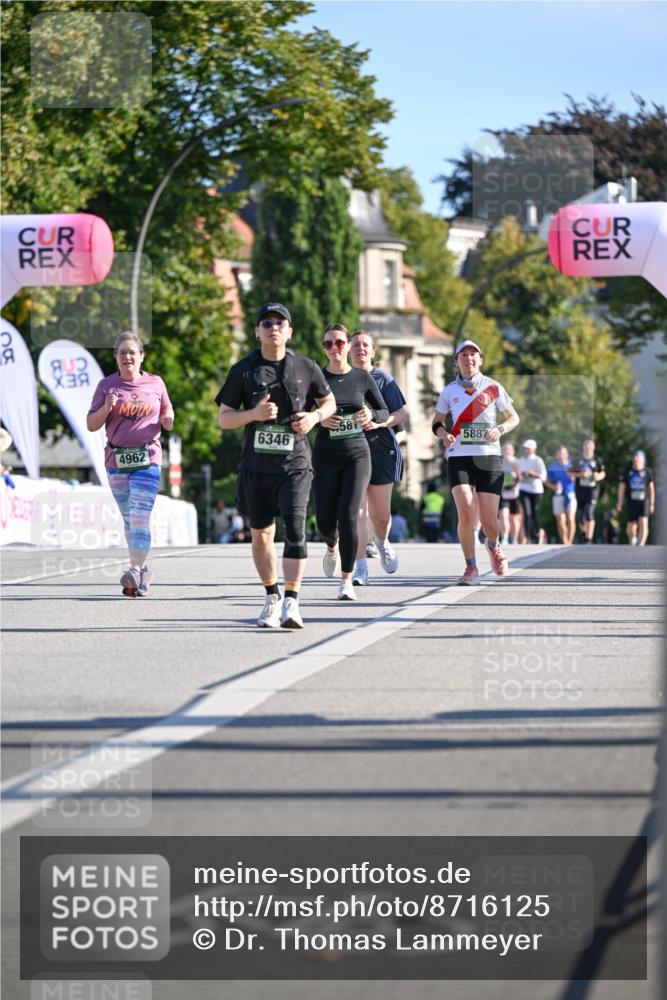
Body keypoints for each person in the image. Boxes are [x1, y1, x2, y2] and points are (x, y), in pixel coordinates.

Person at [215, 302, 336, 629]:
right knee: (261, 535)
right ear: (257, 331)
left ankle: (293, 602)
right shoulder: (243, 370)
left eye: (280, 322)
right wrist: (252, 415)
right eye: (266, 322)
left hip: (295, 463)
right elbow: (224, 418)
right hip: (255, 467)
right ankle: (272, 597)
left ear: (290, 331)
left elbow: (329, 402)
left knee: (295, 529)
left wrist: (314, 417)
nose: (273, 327)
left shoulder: (306, 367)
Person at [87, 332, 174, 597]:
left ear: (141, 356)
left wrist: (168, 420)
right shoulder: (106, 386)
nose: (127, 357)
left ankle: (134, 570)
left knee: (139, 516)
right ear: (116, 357)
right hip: (116, 459)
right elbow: (92, 425)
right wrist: (107, 407)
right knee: (129, 520)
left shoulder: (155, 383)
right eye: (122, 353)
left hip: (148, 457)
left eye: (132, 352)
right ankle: (144, 570)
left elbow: (167, 410)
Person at [431, 339, 520, 584]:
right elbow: (436, 423)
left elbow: (514, 418)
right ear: (456, 361)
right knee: (467, 514)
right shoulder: (449, 391)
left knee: (490, 521)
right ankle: (470, 566)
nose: (469, 359)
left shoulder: (493, 387)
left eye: (473, 355)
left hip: (489, 457)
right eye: (464, 355)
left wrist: (500, 429)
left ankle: (493, 545)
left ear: (480, 360)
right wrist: (444, 435)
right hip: (459, 457)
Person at [310, 324, 388, 601]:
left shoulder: (361, 377)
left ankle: (347, 580)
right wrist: (320, 416)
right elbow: (301, 413)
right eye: (328, 344)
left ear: (347, 345)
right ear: (324, 348)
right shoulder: (316, 377)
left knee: (349, 514)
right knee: (325, 521)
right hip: (325, 455)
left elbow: (382, 411)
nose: (334, 348)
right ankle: (331, 546)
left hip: (357, 454)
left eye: (340, 343)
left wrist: (368, 413)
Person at [349, 330, 408, 586]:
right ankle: (360, 568)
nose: (360, 348)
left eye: (365, 345)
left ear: (373, 351)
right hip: (351, 449)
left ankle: (382, 542)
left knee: (380, 516)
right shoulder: (342, 378)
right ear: (349, 350)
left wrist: (380, 422)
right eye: (356, 345)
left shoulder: (383, 378)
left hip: (381, 449)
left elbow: (400, 413)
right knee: (358, 512)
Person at [615, 449, 655, 545]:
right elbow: (621, 487)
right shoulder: (628, 471)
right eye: (635, 457)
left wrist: (652, 503)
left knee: (643, 521)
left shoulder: (647, 472)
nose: (636, 459)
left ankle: (641, 544)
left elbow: (651, 488)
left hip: (644, 501)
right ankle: (633, 539)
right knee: (631, 526)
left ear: (643, 459)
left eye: (639, 457)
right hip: (631, 501)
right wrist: (619, 501)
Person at [571, 437, 606, 543]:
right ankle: (584, 532)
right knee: (581, 517)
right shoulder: (577, 460)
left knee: (589, 512)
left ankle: (588, 539)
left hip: (593, 490)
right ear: (583, 446)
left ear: (594, 447)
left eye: (590, 445)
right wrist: (580, 474)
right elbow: (569, 472)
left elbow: (603, 473)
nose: (588, 447)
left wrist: (597, 476)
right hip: (580, 490)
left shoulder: (597, 460)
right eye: (586, 444)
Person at [516, 439, 547, 544]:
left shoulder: (538, 461)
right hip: (524, 489)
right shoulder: (520, 461)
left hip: (536, 491)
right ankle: (528, 537)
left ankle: (537, 533)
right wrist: (521, 475)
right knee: (527, 514)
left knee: (534, 513)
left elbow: (543, 476)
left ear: (534, 449)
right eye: (525, 448)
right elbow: (517, 475)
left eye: (529, 448)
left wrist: (533, 474)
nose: (526, 450)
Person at [546, 445, 577, 545]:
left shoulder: (572, 464)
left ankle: (570, 542)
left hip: (570, 493)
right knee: (560, 520)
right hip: (558, 494)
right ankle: (565, 542)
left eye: (564, 453)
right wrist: (554, 487)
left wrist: (574, 477)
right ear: (556, 455)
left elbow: (581, 476)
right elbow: (546, 481)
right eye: (560, 453)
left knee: (571, 518)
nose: (562, 455)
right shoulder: (553, 466)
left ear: (567, 454)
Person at [498, 442, 522, 544]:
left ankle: (515, 539)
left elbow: (521, 477)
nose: (506, 451)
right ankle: (505, 538)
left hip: (514, 493)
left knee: (513, 518)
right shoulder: (499, 462)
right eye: (504, 449)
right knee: (503, 515)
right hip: (503, 493)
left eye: (508, 449)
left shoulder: (516, 462)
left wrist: (515, 478)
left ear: (513, 451)